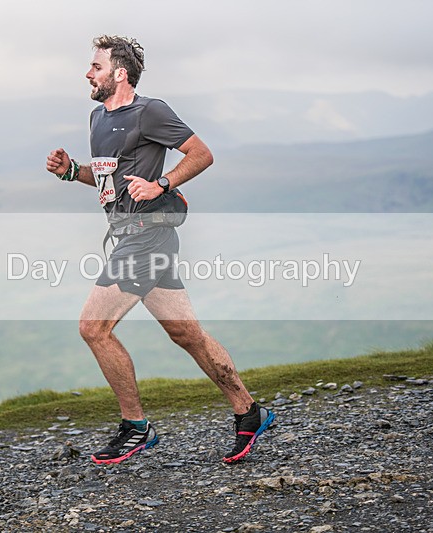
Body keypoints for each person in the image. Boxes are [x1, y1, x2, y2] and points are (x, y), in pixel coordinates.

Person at [45, 35, 274, 464]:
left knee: (93, 328)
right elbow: (110, 180)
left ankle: (136, 427)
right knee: (186, 333)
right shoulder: (98, 117)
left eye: (96, 67)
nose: (88, 73)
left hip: (148, 236)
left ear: (120, 74)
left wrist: (161, 184)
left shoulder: (150, 111)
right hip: (131, 235)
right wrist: (72, 171)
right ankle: (249, 411)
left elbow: (201, 154)